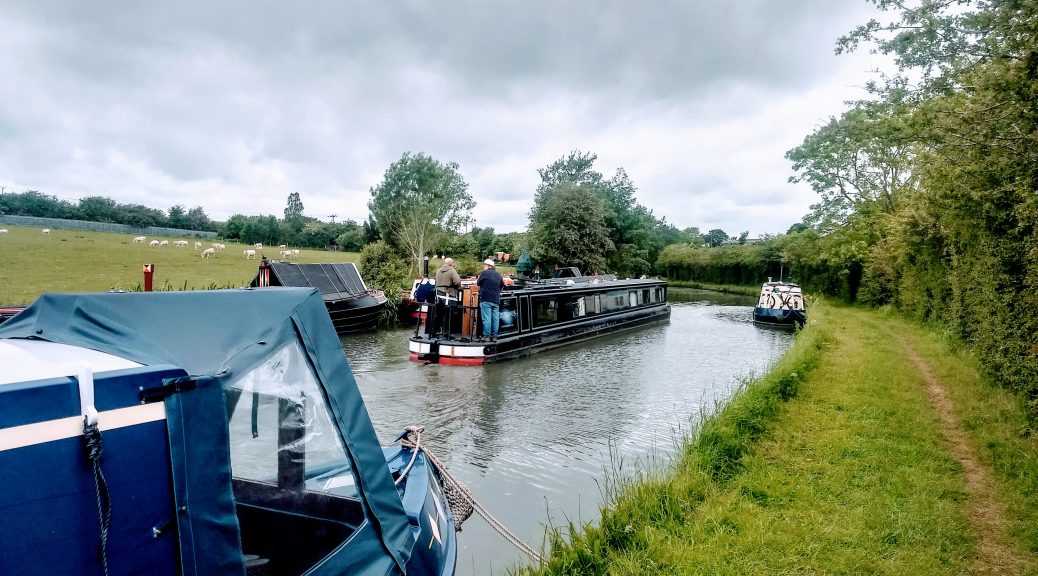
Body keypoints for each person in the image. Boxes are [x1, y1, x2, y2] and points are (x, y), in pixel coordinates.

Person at [477, 258, 505, 341]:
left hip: (486, 299)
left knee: (487, 318)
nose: (483, 267)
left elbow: (478, 283)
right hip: (496, 299)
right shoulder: (498, 274)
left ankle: (486, 336)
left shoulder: (484, 273)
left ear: (489, 266)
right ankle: (494, 336)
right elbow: (501, 285)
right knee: (495, 318)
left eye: (484, 265)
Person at [433, 257, 462, 335]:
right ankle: (446, 333)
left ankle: (435, 331)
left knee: (438, 314)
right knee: (448, 314)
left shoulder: (438, 270)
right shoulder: (452, 271)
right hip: (449, 295)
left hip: (439, 295)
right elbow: (457, 282)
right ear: (451, 263)